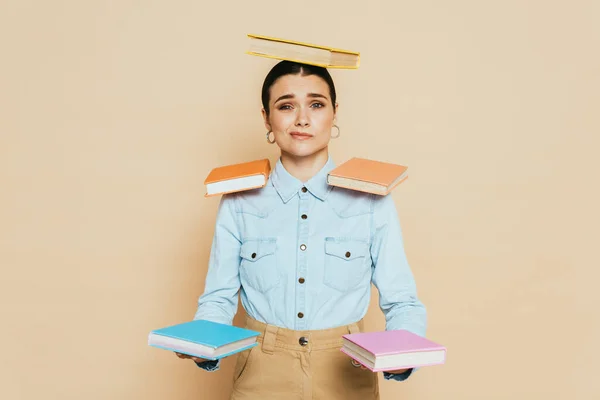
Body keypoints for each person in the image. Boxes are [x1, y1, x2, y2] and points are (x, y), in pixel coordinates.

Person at [176, 60, 427, 400]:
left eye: (316, 104)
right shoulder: (239, 200)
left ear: (334, 113)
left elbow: (403, 302)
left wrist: (402, 354)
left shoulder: (371, 199)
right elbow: (219, 298)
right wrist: (202, 343)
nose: (302, 119)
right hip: (261, 371)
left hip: (347, 370)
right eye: (286, 106)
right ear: (266, 117)